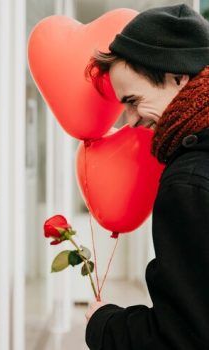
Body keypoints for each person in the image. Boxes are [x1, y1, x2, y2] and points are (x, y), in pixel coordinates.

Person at [84, 4, 209, 350]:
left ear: (177, 76)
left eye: (134, 100)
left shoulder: (189, 182)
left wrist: (103, 324)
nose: (131, 120)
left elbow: (183, 337)